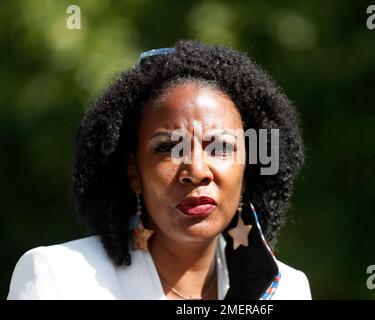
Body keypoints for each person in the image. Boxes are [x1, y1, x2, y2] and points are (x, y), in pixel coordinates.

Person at [7, 40, 311, 300]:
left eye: (220, 147)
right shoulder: (59, 279)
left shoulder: (288, 288)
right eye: (167, 147)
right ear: (134, 173)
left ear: (247, 171)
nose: (196, 169)